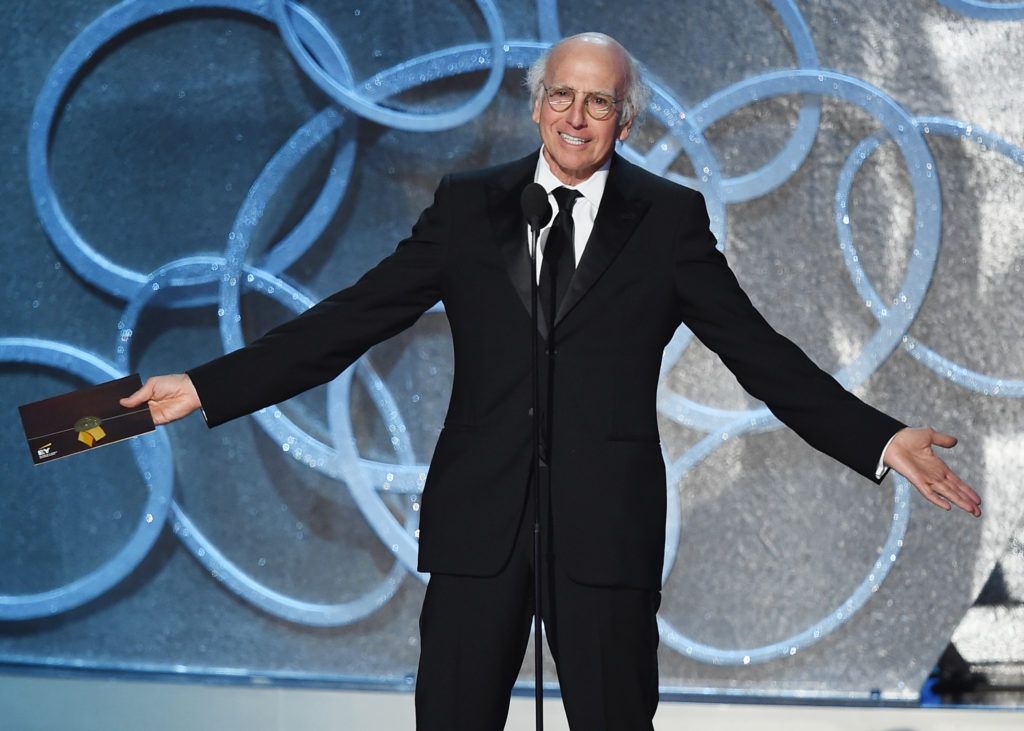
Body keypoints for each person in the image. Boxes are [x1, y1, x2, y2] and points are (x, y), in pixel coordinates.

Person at [121, 32, 981, 731]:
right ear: (537, 106)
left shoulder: (669, 221)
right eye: (562, 95)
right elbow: (352, 317)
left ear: (626, 120)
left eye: (599, 100)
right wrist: (206, 385)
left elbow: (759, 352)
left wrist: (875, 435)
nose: (577, 115)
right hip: (477, 531)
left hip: (605, 536)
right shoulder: (469, 206)